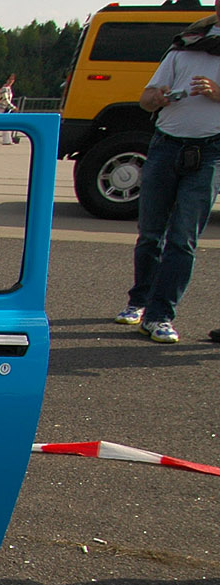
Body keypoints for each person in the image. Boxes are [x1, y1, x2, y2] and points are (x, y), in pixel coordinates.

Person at [112, 4, 220, 344]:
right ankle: (139, 301)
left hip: (210, 150)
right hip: (165, 144)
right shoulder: (185, 45)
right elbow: (145, 100)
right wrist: (157, 97)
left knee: (183, 238)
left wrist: (217, 93)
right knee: (150, 233)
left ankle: (160, 316)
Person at [0, 74, 18, 144]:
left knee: (6, 125)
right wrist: (13, 107)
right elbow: (5, 99)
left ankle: (7, 140)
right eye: (9, 79)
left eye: (12, 80)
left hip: (4, 109)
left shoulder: (9, 89)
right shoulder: (4, 88)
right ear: (6, 80)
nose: (11, 81)